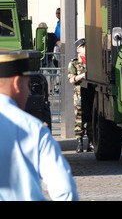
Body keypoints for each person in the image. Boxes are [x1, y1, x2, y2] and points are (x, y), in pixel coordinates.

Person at [0, 51, 79, 201]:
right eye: (27, 85)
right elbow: (64, 190)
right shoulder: (33, 129)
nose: (29, 91)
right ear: (16, 84)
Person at [68, 38, 92, 153]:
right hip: (79, 94)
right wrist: (82, 75)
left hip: (92, 92)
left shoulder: (93, 62)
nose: (85, 48)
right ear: (78, 49)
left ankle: (91, 142)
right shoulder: (74, 63)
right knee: (79, 119)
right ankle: (80, 143)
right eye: (83, 46)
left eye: (86, 45)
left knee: (91, 117)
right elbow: (71, 79)